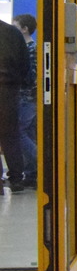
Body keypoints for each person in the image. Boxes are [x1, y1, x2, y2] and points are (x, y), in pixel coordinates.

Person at [0, 17, 29, 191]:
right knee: (11, 135)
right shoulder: (13, 33)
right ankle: (17, 178)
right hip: (9, 90)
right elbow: (25, 64)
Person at [11, 15, 36, 190]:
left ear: (25, 29)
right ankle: (32, 173)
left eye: (16, 27)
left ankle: (42, 161)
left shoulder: (29, 49)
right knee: (28, 133)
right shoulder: (28, 48)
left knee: (19, 132)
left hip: (25, 97)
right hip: (28, 97)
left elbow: (30, 76)